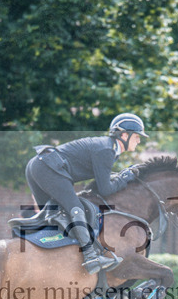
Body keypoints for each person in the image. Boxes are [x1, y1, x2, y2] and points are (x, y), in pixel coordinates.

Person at [8, 113, 147, 274]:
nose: (139, 140)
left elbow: (102, 183)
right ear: (124, 135)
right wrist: (126, 177)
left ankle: (40, 256)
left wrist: (121, 177)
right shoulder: (106, 150)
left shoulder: (107, 148)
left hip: (38, 165)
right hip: (47, 167)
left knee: (53, 215)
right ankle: (91, 257)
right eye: (137, 136)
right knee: (76, 209)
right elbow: (105, 189)